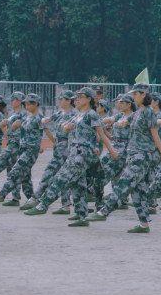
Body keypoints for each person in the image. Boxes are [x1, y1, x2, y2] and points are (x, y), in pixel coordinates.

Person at [84, 83, 161, 233]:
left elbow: (155, 134)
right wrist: (120, 122)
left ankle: (104, 211)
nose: (133, 96)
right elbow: (126, 121)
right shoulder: (138, 113)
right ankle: (144, 224)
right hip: (133, 154)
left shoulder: (147, 111)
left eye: (135, 94)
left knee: (124, 183)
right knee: (137, 191)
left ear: (143, 94)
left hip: (142, 156)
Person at [24, 87, 118, 226]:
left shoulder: (91, 114)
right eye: (77, 97)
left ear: (89, 99)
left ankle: (43, 205)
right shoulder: (79, 114)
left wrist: (111, 151)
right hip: (74, 151)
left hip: (83, 153)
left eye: (81, 96)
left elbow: (101, 134)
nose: (77, 99)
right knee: (78, 184)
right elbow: (67, 125)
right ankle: (81, 215)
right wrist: (67, 126)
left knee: (61, 178)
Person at [0, 93, 45, 205]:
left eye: (31, 103)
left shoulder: (38, 118)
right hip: (22, 149)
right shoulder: (27, 117)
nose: (28, 105)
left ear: (37, 104)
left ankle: (1, 195)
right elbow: (20, 134)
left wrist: (43, 145)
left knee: (15, 172)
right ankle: (31, 199)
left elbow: (44, 132)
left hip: (30, 151)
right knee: (24, 176)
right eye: (27, 103)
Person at [33, 91, 76, 214]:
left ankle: (36, 198)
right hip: (58, 148)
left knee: (50, 173)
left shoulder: (73, 114)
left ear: (68, 101)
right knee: (62, 177)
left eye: (62, 99)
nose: (60, 101)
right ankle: (66, 205)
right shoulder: (59, 113)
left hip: (66, 149)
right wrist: (44, 120)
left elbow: (73, 134)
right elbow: (47, 120)